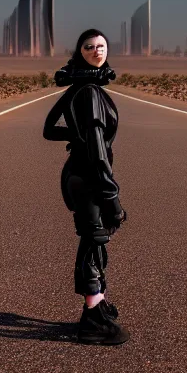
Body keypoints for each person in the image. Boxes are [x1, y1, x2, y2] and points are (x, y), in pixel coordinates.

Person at [43, 29, 129, 345]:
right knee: (94, 242)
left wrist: (72, 137)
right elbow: (97, 149)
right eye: (90, 46)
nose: (97, 50)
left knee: (95, 240)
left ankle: (98, 303)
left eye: (101, 46)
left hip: (77, 175)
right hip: (90, 177)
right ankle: (92, 316)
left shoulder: (77, 88)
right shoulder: (90, 93)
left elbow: (50, 129)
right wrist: (111, 194)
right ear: (81, 51)